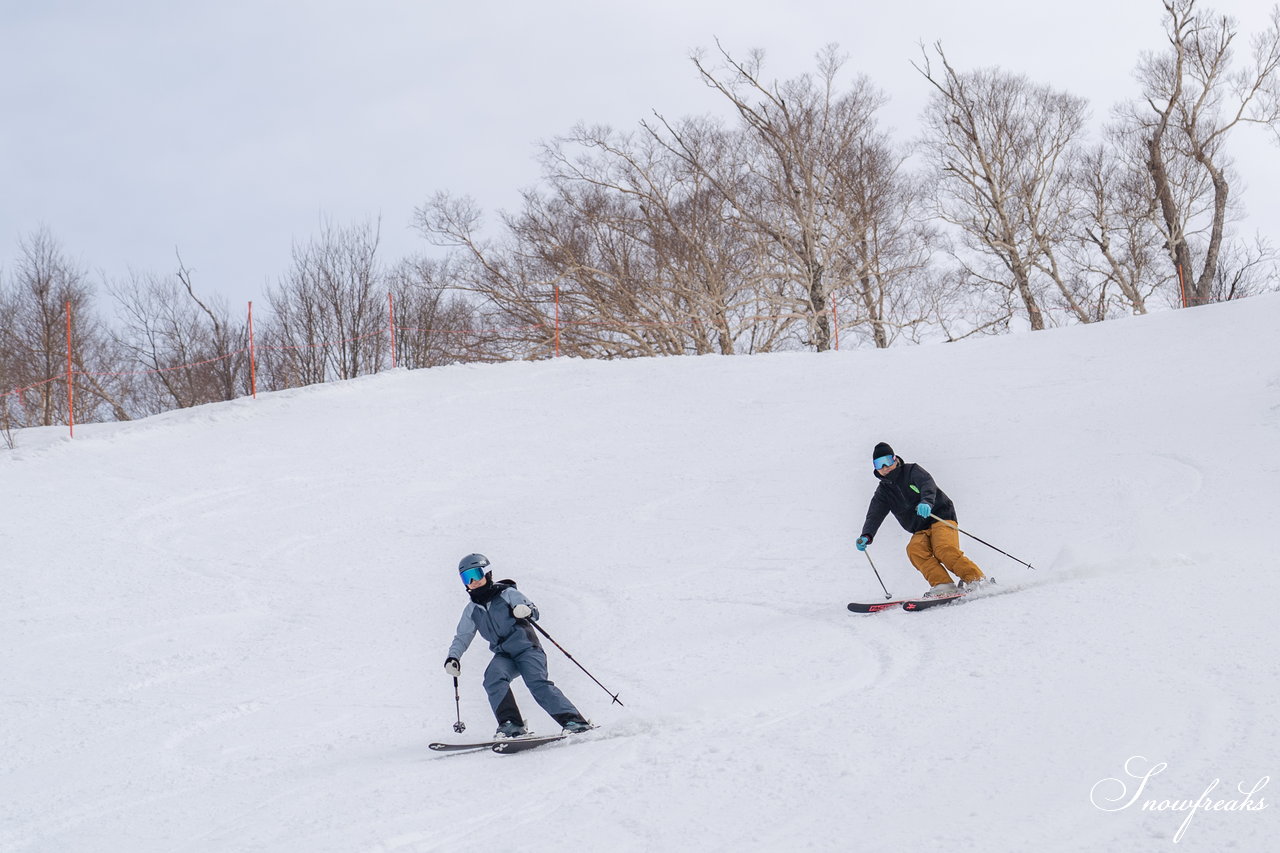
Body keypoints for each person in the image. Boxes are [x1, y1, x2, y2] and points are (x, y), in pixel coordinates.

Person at [444, 553, 592, 738]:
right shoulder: (472, 610)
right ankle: (511, 724)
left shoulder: (507, 594)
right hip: (505, 655)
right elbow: (462, 636)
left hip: (527, 649)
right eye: (467, 577)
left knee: (536, 682)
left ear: (487, 573)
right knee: (493, 678)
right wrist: (453, 657)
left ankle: (575, 721)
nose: (473, 581)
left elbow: (534, 612)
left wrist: (526, 611)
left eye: (476, 574)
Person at [856, 442, 988, 598]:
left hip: (940, 516)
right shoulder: (883, 492)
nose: (885, 466)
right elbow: (874, 514)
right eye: (879, 464)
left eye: (887, 461)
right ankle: (943, 585)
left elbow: (927, 485)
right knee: (914, 550)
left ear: (894, 459)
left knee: (944, 548)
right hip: (919, 528)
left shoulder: (911, 471)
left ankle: (977, 580)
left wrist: (926, 502)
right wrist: (867, 535)